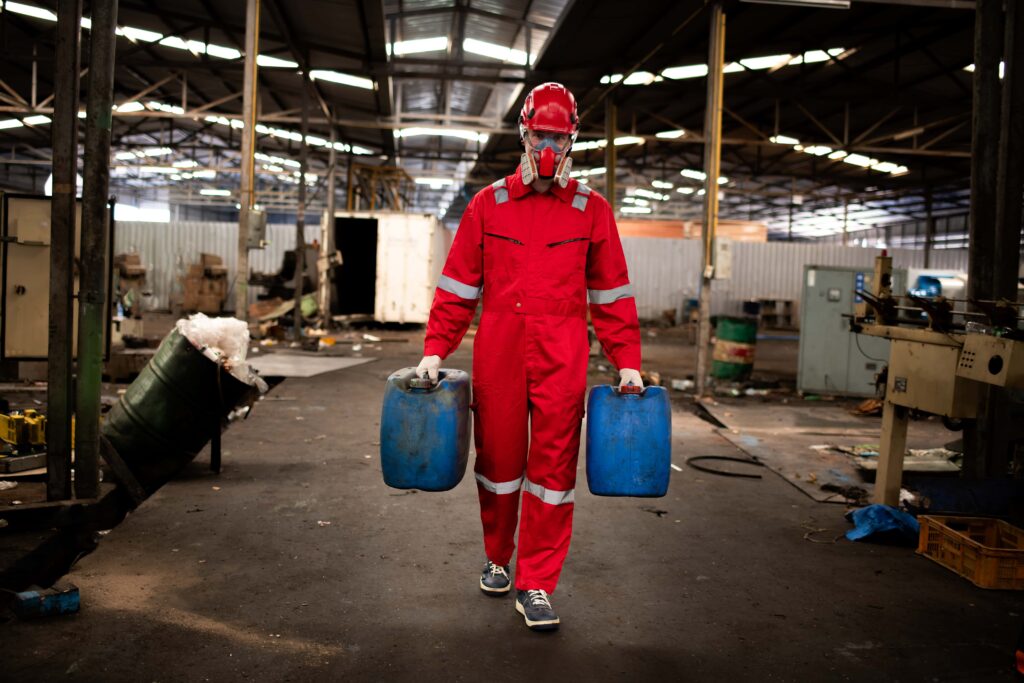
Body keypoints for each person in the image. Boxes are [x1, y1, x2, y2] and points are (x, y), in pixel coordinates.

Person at [416, 82, 642, 632]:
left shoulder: (592, 209)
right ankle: (498, 555)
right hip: (499, 349)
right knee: (498, 465)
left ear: (572, 141)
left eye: (558, 138)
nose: (549, 147)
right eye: (541, 135)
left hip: (563, 351)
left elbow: (612, 293)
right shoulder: (487, 204)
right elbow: (457, 287)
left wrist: (627, 358)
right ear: (523, 132)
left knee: (553, 472)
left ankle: (536, 582)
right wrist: (434, 350)